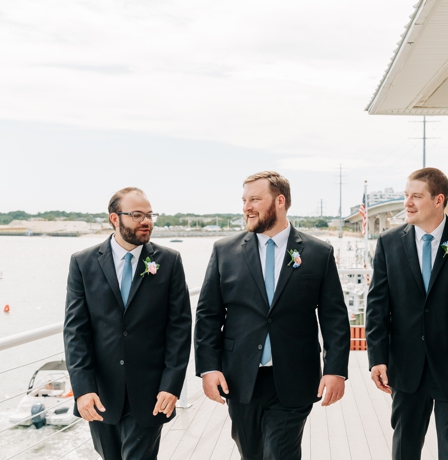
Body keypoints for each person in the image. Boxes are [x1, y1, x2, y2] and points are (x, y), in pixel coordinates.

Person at [195, 171, 350, 460]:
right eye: (244, 200)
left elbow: (334, 317)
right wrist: (208, 367)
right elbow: (207, 315)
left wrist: (335, 369)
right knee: (251, 454)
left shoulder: (318, 253)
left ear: (280, 201)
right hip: (240, 377)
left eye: (255, 199)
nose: (246, 207)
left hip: (294, 377)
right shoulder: (224, 251)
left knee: (279, 453)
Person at [365, 167, 448, 460]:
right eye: (406, 195)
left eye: (416, 196)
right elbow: (377, 306)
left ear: (438, 200)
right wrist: (377, 358)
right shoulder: (388, 243)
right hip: (406, 367)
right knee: (405, 450)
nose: (407, 203)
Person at [63, 187, 192, 460]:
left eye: (149, 215)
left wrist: (171, 384)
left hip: (149, 393)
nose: (146, 221)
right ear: (114, 219)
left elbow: (179, 327)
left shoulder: (168, 262)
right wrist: (83, 389)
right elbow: (76, 332)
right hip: (100, 394)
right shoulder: (82, 263)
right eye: (136, 215)